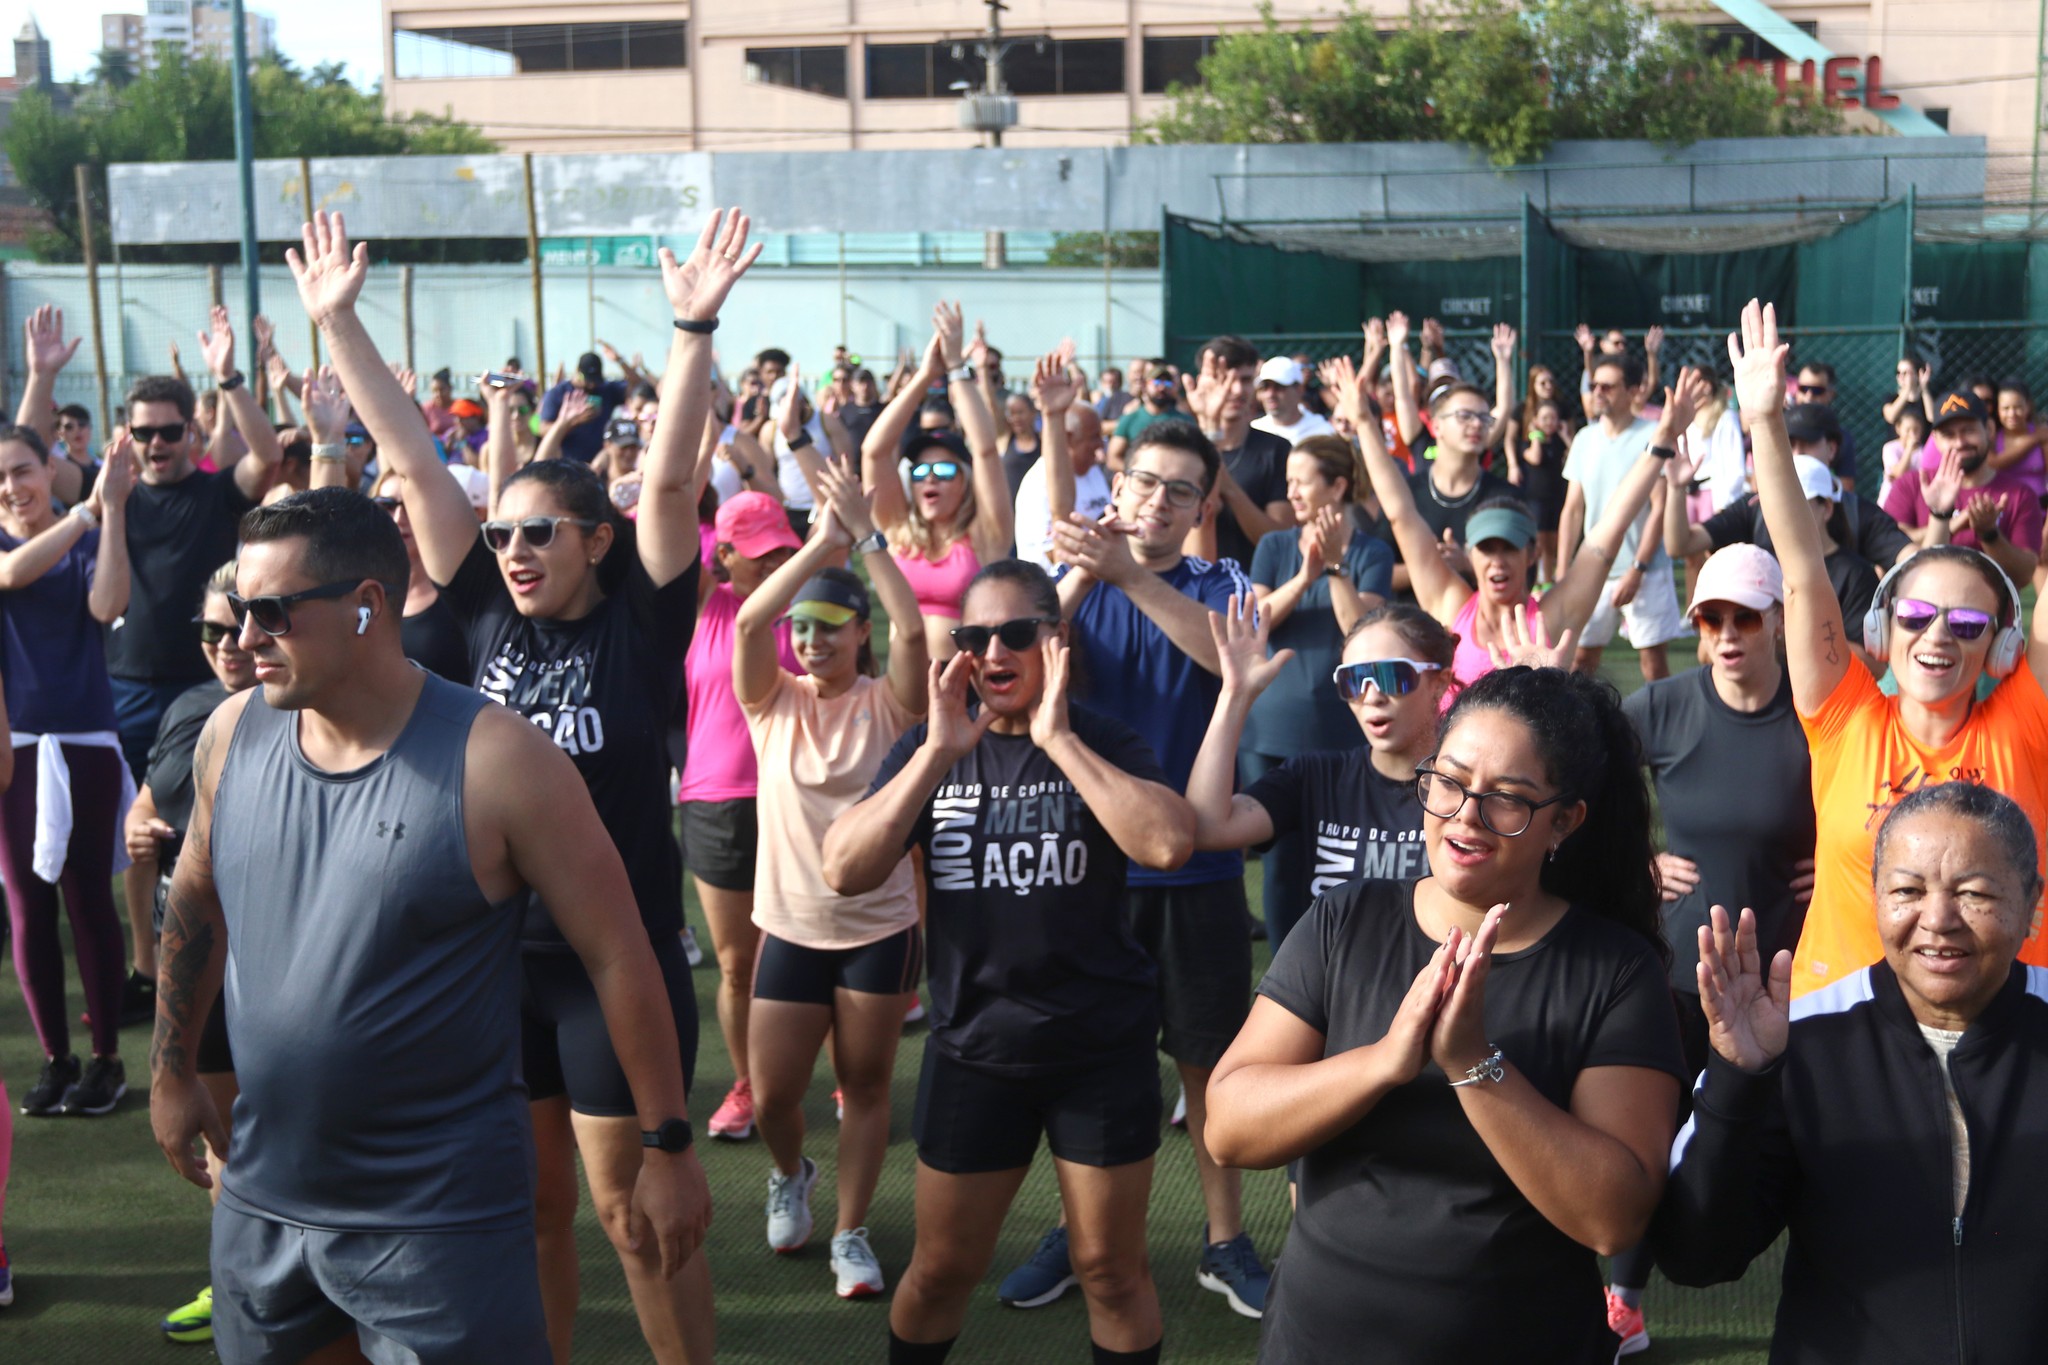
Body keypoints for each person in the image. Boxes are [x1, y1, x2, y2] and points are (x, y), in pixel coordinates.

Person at [293, 207, 751, 1363]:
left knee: (636, 1222)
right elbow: (407, 458)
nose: (513, 550)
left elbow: (673, 485)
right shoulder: (483, 614)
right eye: (501, 534)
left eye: (541, 531)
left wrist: (692, 329)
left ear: (595, 541)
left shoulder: (643, 625)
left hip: (614, 967)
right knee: (531, 1214)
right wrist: (337, 322)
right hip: (491, 966)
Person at [146, 487, 708, 1365]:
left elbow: (620, 952)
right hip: (264, 1196)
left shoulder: (501, 758)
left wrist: (667, 1143)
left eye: (270, 613)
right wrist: (172, 1069)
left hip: (437, 1220)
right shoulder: (231, 733)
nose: (242, 638)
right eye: (235, 612)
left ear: (368, 607)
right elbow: (193, 898)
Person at [1205, 664, 1686, 1363]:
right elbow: (1227, 1126)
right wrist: (1382, 1061)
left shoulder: (1613, 969)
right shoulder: (1347, 919)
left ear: (1564, 821)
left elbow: (1613, 1217)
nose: (1466, 815)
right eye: (1450, 782)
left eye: (1508, 799)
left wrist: (1474, 1064)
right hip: (1319, 1338)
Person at [821, 559, 1196, 1365]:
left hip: (1100, 1049)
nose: (992, 648)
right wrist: (934, 756)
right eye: (973, 634)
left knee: (1110, 1270)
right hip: (975, 1049)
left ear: (1053, 642)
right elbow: (843, 868)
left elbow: (1167, 842)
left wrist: (1058, 739)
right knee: (941, 1269)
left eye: (1015, 632)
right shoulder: (933, 745)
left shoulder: (1101, 738)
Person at [1008, 418, 1269, 1319]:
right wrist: (1088, 569)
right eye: (1145, 482)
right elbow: (1020, 654)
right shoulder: (1068, 576)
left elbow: (1226, 655)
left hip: (1195, 874)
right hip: (1087, 865)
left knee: (1210, 1070)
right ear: (1113, 484)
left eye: (1180, 491)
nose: (1158, 502)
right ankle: (1083, 1237)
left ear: (1203, 506)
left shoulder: (1222, 581)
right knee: (1084, 1066)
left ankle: (1225, 1241)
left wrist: (1126, 573)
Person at [1653, 785, 2048, 1365]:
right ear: (1875, 896)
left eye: (1974, 893)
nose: (1937, 920)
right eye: (1908, 891)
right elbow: (1696, 1254)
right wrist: (1739, 1080)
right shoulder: (1801, 1040)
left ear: (2032, 900)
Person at [1730, 298, 2048, 999]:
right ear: (1881, 629)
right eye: (1914, 614)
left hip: (2008, 1023)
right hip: (1844, 1023)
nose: (1937, 634)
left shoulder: (2026, 722)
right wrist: (1763, 420)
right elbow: (1803, 568)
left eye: (1967, 624)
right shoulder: (1847, 718)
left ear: (2001, 649)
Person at [1601, 543, 1817, 1355]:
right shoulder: (1660, 706)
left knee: (1798, 1135)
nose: (1726, 635)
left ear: (1777, 623)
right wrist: (1637, 861)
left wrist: (1834, 861)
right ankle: (1623, 1298)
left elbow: (1874, 792)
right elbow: (1583, 790)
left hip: (1793, 977)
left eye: (1744, 618)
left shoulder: (1815, 708)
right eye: (1710, 619)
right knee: (1651, 1127)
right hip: (1681, 974)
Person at [735, 457, 929, 1298]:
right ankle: (792, 1172)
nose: (810, 641)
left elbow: (916, 633)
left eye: (829, 627)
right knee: (776, 1094)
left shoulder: (890, 703)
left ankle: (851, 1230)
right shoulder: (771, 700)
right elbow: (749, 624)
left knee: (867, 1086)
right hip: (789, 925)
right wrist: (819, 544)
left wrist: (871, 541)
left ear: (860, 633)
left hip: (878, 929)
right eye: (803, 629)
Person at [1341, 353, 1678, 696]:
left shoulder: (1552, 617)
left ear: (1531, 555)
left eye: (1510, 548)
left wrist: (1661, 443)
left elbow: (1611, 528)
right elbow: (1401, 513)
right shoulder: (1451, 605)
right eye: (1487, 548)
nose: (1498, 561)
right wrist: (1365, 423)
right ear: (1471, 556)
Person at [125, 560, 255, 1345]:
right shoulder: (188, 709)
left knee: (280, 1136)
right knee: (225, 1142)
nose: (226, 643)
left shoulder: (300, 713)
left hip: (272, 958)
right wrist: (139, 829)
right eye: (210, 630)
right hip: (195, 955)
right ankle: (236, 1283)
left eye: (241, 623)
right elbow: (148, 808)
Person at [0, 422, 136, 1117]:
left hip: (85, 738)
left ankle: (107, 1059)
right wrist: (88, 509)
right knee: (28, 905)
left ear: (49, 467)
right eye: (1, 477)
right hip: (14, 746)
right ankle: (56, 1057)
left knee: (88, 900)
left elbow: (108, 603)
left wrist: (109, 511)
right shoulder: (12, 541)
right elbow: (11, 573)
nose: (12, 487)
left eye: (22, 470)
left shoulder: (88, 531)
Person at [1190, 597, 1453, 947]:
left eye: (1391, 676)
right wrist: (1235, 695)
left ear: (1439, 683)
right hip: (1333, 994)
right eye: (1353, 680)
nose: (1371, 696)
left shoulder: (1468, 787)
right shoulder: (1316, 776)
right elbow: (1207, 827)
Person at [683, 490, 803, 1144]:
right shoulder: (705, 604)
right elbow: (673, 506)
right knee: (737, 964)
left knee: (815, 947)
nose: (775, 561)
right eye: (760, 554)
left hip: (800, 800)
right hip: (716, 799)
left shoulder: (812, 612)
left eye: (783, 548)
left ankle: (848, 1070)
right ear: (722, 554)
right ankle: (750, 1080)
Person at [1239, 435, 1394, 934]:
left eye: (1301, 481)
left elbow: (1363, 632)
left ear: (1339, 486)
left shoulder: (1372, 552)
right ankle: (1288, 977)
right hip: (1270, 732)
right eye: (1288, 482)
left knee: (1345, 860)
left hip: (1342, 731)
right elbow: (1258, 618)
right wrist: (1305, 575)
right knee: (1283, 865)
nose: (1292, 492)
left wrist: (1332, 568)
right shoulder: (1274, 545)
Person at [300, 365, 471, 684]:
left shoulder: (464, 591)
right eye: (387, 505)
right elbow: (320, 532)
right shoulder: (354, 581)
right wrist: (327, 438)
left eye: (410, 506)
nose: (398, 518)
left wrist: (400, 415)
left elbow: (420, 472)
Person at [860, 303, 1010, 663]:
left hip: (966, 686)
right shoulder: (898, 530)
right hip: (902, 691)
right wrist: (925, 376)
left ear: (964, 482)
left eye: (943, 472)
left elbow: (987, 450)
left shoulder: (985, 535)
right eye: (919, 472)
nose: (929, 478)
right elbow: (874, 452)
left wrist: (957, 368)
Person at [1561, 350, 1682, 683]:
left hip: (1646, 570)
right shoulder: (1584, 439)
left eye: (1608, 386)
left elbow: (1659, 507)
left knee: (1653, 666)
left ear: (1633, 391)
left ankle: (1659, 735)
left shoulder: (1652, 435)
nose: (1598, 392)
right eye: (1595, 385)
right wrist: (1562, 572)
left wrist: (1637, 569)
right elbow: (1572, 509)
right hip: (1592, 570)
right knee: (1580, 661)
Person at [1374, 314, 1516, 593]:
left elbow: (1504, 408)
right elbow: (1403, 395)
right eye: (1460, 414)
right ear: (1437, 421)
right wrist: (1397, 346)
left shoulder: (1481, 443)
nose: (1473, 423)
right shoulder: (1419, 435)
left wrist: (1503, 361)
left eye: (1476, 416)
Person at [1180, 336, 1291, 571]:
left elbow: (1280, 540)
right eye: (1225, 380)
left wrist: (1229, 488)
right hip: (1192, 588)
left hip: (1254, 588)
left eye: (1246, 380)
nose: (1238, 390)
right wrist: (1209, 425)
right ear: (1203, 382)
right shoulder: (1179, 449)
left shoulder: (1276, 450)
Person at [1013, 347, 1113, 571]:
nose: (1100, 445)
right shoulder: (1039, 484)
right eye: (1093, 438)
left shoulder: (1092, 472)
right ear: (1068, 438)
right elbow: (1055, 553)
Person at [539, 351, 630, 465]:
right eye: (588, 380)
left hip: (600, 464)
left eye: (595, 381)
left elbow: (638, 387)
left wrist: (620, 361)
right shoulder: (557, 393)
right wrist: (574, 421)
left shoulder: (606, 389)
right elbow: (543, 429)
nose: (591, 385)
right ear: (577, 371)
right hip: (568, 464)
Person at [1513, 398, 1569, 583]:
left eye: (1553, 418)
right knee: (1539, 538)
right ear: (1535, 421)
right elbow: (1535, 458)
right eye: (1544, 418)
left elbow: (1575, 453)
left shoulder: (1559, 443)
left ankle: (1548, 577)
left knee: (1553, 539)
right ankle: (1536, 578)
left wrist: (1565, 435)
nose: (1549, 422)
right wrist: (1535, 436)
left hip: (1556, 496)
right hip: (1536, 498)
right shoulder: (1527, 443)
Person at [1791, 361, 1857, 491]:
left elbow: (1846, 487)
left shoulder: (1841, 438)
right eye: (1803, 389)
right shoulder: (1779, 429)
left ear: (1830, 394)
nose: (1809, 396)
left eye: (1817, 391)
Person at [1106, 361, 1179, 473]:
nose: (1162, 387)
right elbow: (1113, 459)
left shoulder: (1183, 420)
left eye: (1167, 383)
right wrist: (1139, 475)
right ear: (1145, 385)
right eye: (1157, 382)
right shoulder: (1130, 419)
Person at [1251, 358, 1334, 447]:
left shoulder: (1322, 432)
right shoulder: (1252, 432)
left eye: (1279, 387)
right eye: (1264, 387)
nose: (1270, 394)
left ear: (1299, 389)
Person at [1989, 379, 2046, 504]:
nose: (2012, 414)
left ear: (2028, 406)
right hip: (2003, 511)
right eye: (2005, 408)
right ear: (1997, 410)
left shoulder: (2044, 437)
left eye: (2018, 407)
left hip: (2040, 508)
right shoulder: (1992, 437)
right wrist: (2033, 439)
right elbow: (1995, 463)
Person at [1879, 406, 1928, 509]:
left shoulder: (1924, 451)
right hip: (1890, 500)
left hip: (1913, 502)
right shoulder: (1890, 448)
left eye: (1916, 430)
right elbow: (1899, 474)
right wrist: (1909, 448)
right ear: (1898, 428)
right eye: (1908, 430)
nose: (1912, 434)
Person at [999, 389, 1043, 502]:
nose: (1016, 418)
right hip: (1010, 515)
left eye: (1020, 412)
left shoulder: (1043, 442)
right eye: (1011, 413)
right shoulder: (1004, 440)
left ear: (1033, 413)